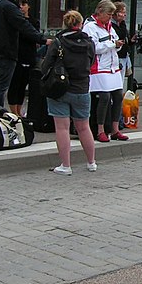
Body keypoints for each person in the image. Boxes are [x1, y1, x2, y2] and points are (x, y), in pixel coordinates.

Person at [40, 10, 97, 175]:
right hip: (82, 89)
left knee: (62, 128)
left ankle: (66, 165)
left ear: (65, 24)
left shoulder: (58, 42)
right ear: (80, 24)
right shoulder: (89, 43)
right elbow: (91, 62)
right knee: (84, 127)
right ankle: (91, 162)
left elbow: (46, 66)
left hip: (60, 88)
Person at [83, 0, 128, 142]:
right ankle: (100, 130)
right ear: (100, 11)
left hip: (112, 67)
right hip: (99, 67)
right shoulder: (90, 27)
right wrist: (112, 44)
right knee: (104, 97)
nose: (110, 17)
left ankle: (115, 129)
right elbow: (94, 47)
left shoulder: (109, 27)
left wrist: (118, 45)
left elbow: (114, 43)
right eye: (109, 14)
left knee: (118, 96)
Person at [7, 0, 41, 116]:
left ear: (28, 6)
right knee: (15, 84)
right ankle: (13, 111)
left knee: (23, 85)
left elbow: (34, 36)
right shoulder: (16, 21)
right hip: (17, 55)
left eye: (24, 4)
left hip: (30, 55)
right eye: (19, 4)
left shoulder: (34, 21)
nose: (21, 7)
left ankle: (19, 111)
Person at [111, 1, 134, 91]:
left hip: (124, 55)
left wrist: (131, 41)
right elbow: (120, 34)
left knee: (121, 81)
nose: (124, 15)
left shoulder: (120, 24)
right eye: (122, 12)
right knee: (117, 81)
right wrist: (123, 23)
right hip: (118, 55)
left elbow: (124, 37)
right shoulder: (113, 25)